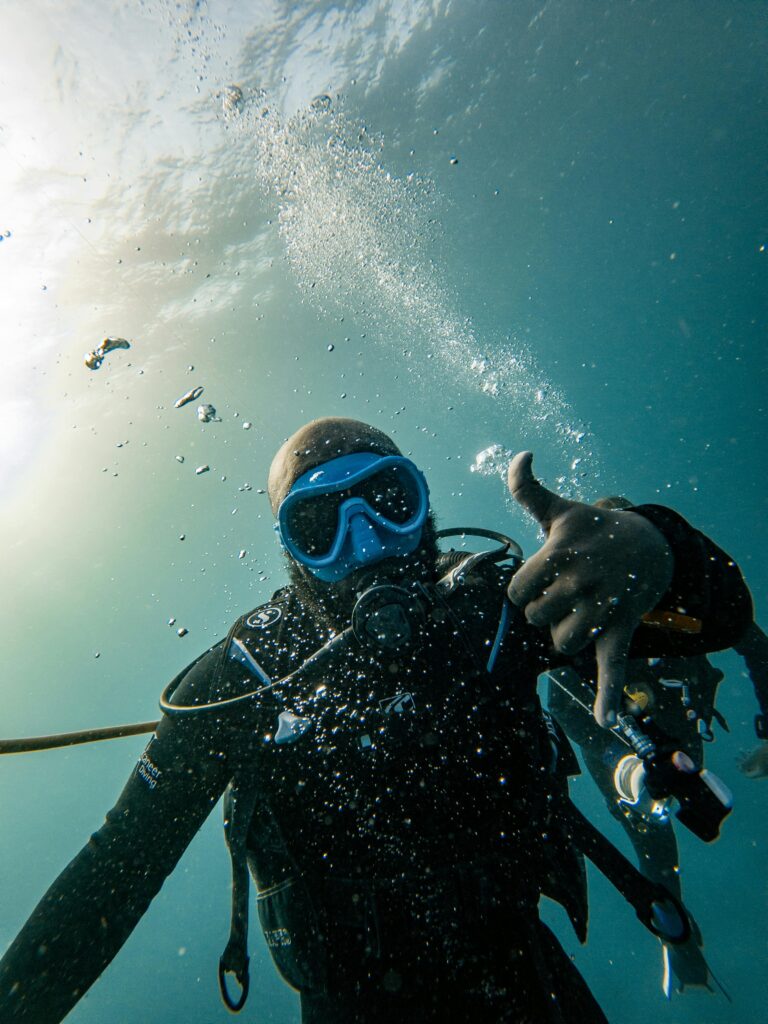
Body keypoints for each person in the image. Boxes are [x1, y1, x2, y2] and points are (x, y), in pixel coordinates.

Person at [0, 417, 754, 1023]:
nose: (363, 545)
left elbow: (723, 617)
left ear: (424, 509)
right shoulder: (243, 685)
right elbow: (110, 876)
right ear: (291, 554)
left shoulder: (500, 619)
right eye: (320, 524)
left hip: (530, 981)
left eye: (388, 504)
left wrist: (661, 548)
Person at [546, 495, 768, 998]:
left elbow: (751, 640)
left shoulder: (683, 590)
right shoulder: (574, 611)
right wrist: (623, 766)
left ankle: (680, 941)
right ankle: (683, 947)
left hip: (677, 721)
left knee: (681, 805)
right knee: (651, 830)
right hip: (613, 739)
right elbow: (563, 708)